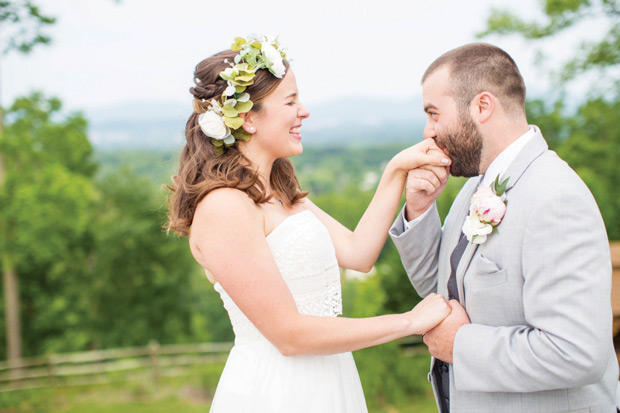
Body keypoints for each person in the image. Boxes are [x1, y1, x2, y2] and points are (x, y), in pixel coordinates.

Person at [166, 34, 452, 412]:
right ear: (249, 118)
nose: (304, 111)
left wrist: (397, 170)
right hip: (277, 391)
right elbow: (289, 335)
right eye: (291, 101)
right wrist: (409, 322)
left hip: (329, 379)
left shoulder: (281, 191)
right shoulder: (224, 207)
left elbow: (359, 253)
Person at [389, 42, 618, 413]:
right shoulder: (472, 188)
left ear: (482, 106)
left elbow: (576, 353)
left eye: (434, 113)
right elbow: (443, 289)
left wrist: (460, 344)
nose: (428, 132)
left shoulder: (555, 199)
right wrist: (418, 210)